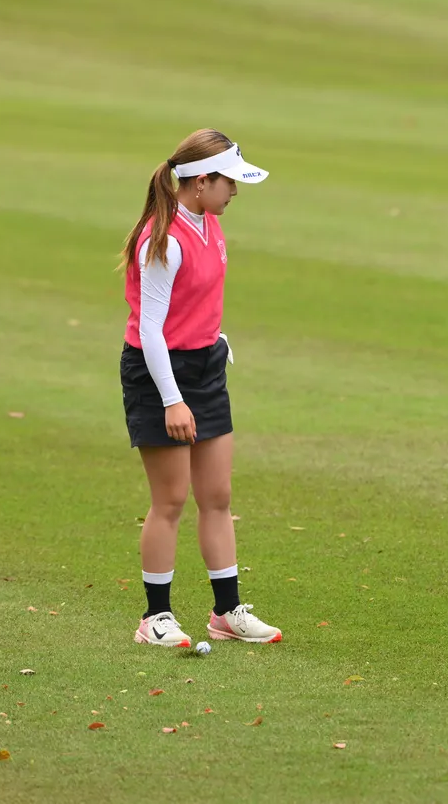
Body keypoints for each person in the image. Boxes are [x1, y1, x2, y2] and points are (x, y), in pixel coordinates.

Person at [120, 129, 283, 646]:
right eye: (228, 182)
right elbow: (151, 330)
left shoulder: (211, 224)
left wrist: (215, 341)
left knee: (217, 495)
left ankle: (226, 611)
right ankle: (155, 618)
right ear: (200, 182)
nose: (234, 190)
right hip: (158, 373)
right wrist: (172, 400)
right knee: (170, 499)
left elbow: (198, 301)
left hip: (205, 366)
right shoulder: (163, 240)